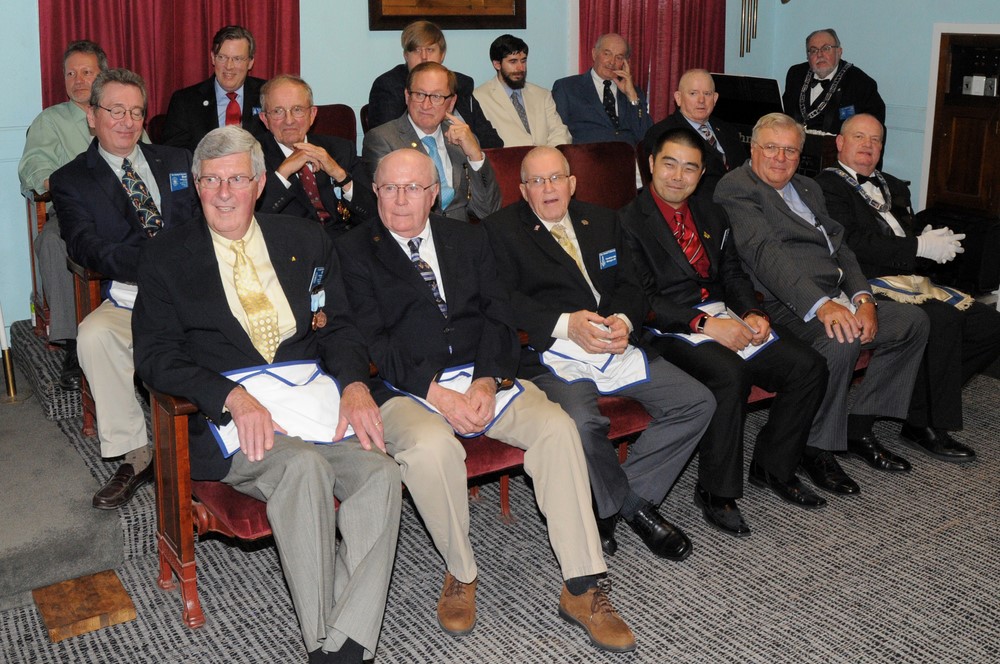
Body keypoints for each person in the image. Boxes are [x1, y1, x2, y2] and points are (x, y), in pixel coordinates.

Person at [337, 148, 636, 654]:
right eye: (390, 188)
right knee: (431, 450)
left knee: (558, 428)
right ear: (376, 192)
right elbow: (371, 338)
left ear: (434, 194)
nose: (401, 199)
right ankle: (461, 572)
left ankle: (582, 586)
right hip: (408, 386)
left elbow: (500, 315)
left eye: (414, 188)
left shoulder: (467, 238)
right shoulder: (352, 251)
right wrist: (436, 392)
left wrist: (486, 381)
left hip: (480, 376)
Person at [133, 126, 400, 664]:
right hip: (232, 423)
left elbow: (338, 326)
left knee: (381, 473)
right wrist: (229, 396)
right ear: (196, 186)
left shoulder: (304, 240)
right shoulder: (166, 256)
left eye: (236, 179)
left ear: (259, 184)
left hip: (312, 403)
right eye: (211, 180)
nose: (223, 193)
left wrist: (353, 383)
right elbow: (155, 357)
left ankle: (346, 641)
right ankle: (326, 645)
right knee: (303, 468)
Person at [484, 146, 713, 557]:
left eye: (556, 178)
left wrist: (624, 319)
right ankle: (634, 510)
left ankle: (616, 502)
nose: (548, 188)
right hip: (553, 353)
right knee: (581, 422)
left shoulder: (603, 220)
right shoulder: (499, 231)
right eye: (536, 181)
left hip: (614, 344)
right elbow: (500, 298)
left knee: (697, 402)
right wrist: (565, 324)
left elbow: (631, 285)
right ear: (523, 190)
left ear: (572, 183)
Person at [621, 127, 828, 536]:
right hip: (669, 328)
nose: (678, 176)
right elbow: (643, 299)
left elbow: (732, 273)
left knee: (808, 366)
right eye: (669, 164)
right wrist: (704, 324)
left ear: (701, 175)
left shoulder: (712, 212)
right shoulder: (627, 221)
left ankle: (773, 466)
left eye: (690, 168)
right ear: (651, 164)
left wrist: (752, 311)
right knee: (729, 373)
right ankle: (716, 491)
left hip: (723, 313)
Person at [714, 113, 929, 496]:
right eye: (771, 148)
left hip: (838, 294)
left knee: (912, 322)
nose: (780, 158)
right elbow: (764, 254)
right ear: (753, 149)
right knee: (842, 338)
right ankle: (815, 447)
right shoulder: (737, 187)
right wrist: (821, 305)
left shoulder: (808, 187)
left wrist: (863, 298)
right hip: (783, 302)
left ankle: (858, 427)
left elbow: (841, 248)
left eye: (790, 150)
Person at [50, 68, 200, 509]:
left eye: (136, 112)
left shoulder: (177, 160)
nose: (127, 121)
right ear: (92, 116)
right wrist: (153, 263)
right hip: (133, 294)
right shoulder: (71, 179)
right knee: (94, 335)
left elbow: (206, 219)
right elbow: (84, 244)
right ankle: (136, 453)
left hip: (197, 290)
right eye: (116, 110)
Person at [816, 113, 1000, 462]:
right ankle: (923, 423)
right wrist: (918, 246)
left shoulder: (893, 186)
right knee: (943, 320)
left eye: (876, 140)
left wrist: (929, 246)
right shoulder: (826, 187)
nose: (868, 145)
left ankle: (918, 399)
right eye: (859, 137)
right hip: (864, 283)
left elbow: (905, 239)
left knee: (989, 324)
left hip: (910, 281)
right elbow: (852, 243)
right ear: (840, 142)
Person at [19, 40, 110, 392]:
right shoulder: (51, 121)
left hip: (123, 210)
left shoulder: (119, 111)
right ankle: (74, 347)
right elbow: (33, 167)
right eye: (71, 73)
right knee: (52, 242)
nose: (78, 80)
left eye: (86, 72)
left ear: (102, 75)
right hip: (74, 211)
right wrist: (65, 182)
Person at [362, 62, 501, 223]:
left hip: (462, 232)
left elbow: (488, 210)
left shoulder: (462, 140)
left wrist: (475, 156)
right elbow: (391, 210)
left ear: (451, 103)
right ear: (407, 96)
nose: (426, 105)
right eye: (419, 94)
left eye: (436, 97)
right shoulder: (383, 140)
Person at [256, 74, 375, 236]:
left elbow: (374, 212)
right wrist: (283, 173)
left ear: (312, 115)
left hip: (345, 242)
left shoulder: (340, 149)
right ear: (265, 119)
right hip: (291, 245)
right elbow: (251, 218)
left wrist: (340, 175)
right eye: (278, 111)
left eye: (297, 110)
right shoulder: (251, 156)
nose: (289, 120)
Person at [367, 19, 502, 148]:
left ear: (442, 55)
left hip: (464, 159)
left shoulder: (459, 84)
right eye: (417, 50)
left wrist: (471, 145)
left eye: (430, 50)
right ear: (406, 56)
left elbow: (492, 142)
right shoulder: (388, 86)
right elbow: (388, 142)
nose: (424, 57)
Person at [642, 69, 748, 198]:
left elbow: (745, 169)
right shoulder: (663, 133)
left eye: (707, 94)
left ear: (715, 98)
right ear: (678, 98)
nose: (701, 100)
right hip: (699, 203)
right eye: (693, 93)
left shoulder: (728, 130)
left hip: (742, 199)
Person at [161, 25, 266, 151]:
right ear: (213, 58)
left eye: (237, 59)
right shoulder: (185, 101)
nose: (229, 66)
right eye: (222, 57)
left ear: (250, 62)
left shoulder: (267, 94)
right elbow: (174, 153)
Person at [472, 34, 571, 147]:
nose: (521, 68)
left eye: (523, 61)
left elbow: (560, 132)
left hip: (546, 155)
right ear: (497, 64)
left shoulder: (542, 95)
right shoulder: (480, 97)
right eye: (513, 62)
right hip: (507, 157)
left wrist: (545, 155)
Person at [552, 33, 652, 145]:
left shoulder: (634, 93)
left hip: (627, 154)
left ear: (625, 63)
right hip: (586, 154)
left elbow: (645, 135)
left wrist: (632, 97)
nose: (612, 62)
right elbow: (557, 133)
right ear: (594, 54)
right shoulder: (567, 88)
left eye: (619, 57)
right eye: (607, 54)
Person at [782, 29, 885, 135]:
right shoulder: (796, 75)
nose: (820, 54)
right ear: (808, 56)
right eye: (813, 50)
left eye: (826, 48)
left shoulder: (861, 83)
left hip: (835, 145)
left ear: (839, 52)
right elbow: (784, 115)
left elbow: (874, 128)